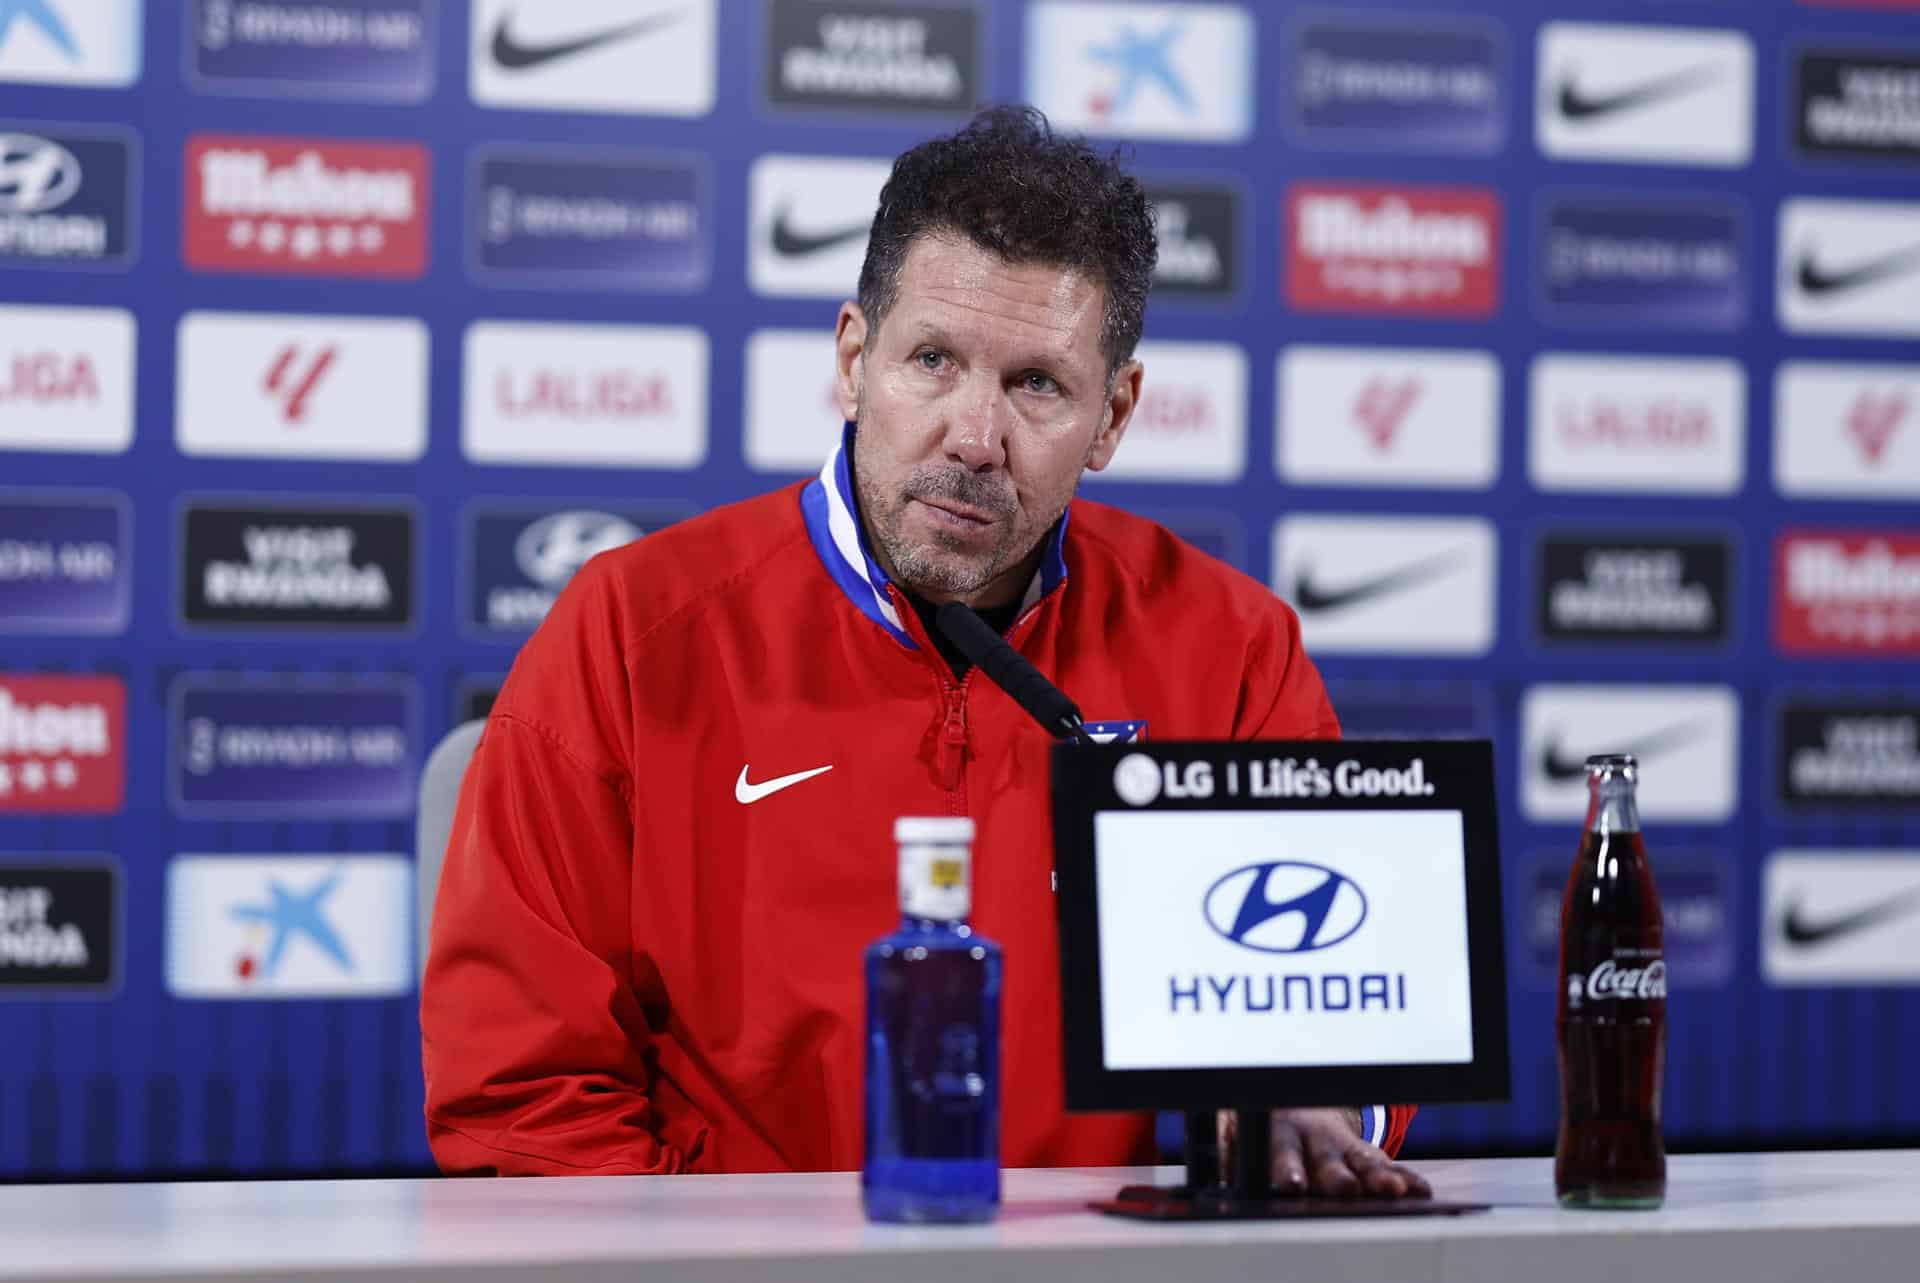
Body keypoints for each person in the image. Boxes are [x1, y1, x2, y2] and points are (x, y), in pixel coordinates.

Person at [422, 106, 1427, 1199]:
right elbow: (522, 1094)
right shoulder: (631, 632)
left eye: (1038, 383)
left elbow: (1344, 1039)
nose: (974, 435)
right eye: (933, 360)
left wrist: (1312, 1099)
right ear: (855, 360)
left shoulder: (1231, 649)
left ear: (1113, 415)